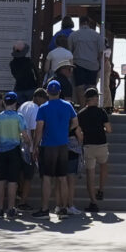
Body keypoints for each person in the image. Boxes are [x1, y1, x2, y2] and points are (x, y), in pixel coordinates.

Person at [34, 81, 77, 217]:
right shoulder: (68, 105)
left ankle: (45, 209)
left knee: (47, 178)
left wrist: (35, 146)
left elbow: (39, 129)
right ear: (59, 91)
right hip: (63, 145)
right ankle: (63, 209)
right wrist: (66, 130)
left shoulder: (43, 108)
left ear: (47, 92)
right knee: (62, 178)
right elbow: (75, 122)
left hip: (48, 146)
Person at [0, 93, 27, 217]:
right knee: (12, 181)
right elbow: (24, 134)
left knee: (0, 180)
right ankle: (11, 208)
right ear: (16, 103)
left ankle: (0, 209)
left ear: (4, 103)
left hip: (1, 151)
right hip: (14, 151)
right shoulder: (19, 117)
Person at [76, 87, 111, 213]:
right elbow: (109, 129)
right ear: (94, 99)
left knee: (90, 175)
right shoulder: (102, 112)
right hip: (101, 144)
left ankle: (93, 202)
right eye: (97, 97)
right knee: (104, 165)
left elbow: (78, 131)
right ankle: (101, 189)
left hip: (88, 146)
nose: (98, 99)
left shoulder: (80, 114)